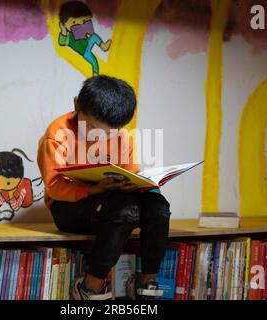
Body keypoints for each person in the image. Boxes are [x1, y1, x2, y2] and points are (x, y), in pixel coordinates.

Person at [37, 75, 171, 300]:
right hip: (69, 208)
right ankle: (91, 286)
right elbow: (53, 188)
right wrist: (95, 189)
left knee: (158, 206)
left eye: (108, 132)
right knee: (125, 209)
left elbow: (132, 173)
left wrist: (138, 185)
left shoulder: (122, 136)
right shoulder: (57, 135)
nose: (96, 135)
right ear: (76, 105)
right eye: (89, 127)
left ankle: (147, 282)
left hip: (110, 206)